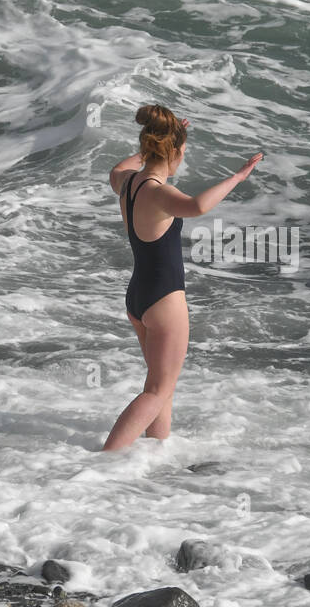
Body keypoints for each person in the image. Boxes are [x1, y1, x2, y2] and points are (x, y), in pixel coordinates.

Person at [104, 104, 262, 451]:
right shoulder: (159, 193)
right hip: (164, 300)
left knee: (161, 385)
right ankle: (103, 461)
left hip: (138, 297)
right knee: (157, 390)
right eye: (183, 151)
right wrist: (237, 177)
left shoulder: (127, 183)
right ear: (173, 151)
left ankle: (156, 453)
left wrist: (146, 149)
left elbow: (117, 168)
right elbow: (198, 206)